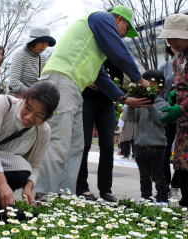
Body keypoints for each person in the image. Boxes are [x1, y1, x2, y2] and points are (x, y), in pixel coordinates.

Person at [35, 5, 151, 196]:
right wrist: (139, 78)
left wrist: (123, 98)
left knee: (76, 144)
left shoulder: (94, 43)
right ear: (119, 19)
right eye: (125, 30)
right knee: (60, 141)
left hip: (73, 86)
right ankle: (42, 194)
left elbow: (100, 76)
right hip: (61, 79)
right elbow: (119, 51)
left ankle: (64, 194)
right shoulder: (101, 18)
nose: (123, 36)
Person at [0, 81, 60, 210]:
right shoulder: (3, 103)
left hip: (5, 161)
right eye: (28, 107)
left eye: (39, 115)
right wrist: (1, 185)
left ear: (46, 118)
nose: (29, 117)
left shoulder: (43, 131)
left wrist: (28, 187)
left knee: (23, 170)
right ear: (23, 98)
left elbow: (35, 165)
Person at [76, 59, 124, 202]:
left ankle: (106, 190)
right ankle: (81, 187)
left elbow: (119, 81)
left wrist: (109, 85)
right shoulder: (90, 53)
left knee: (108, 146)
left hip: (107, 103)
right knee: (84, 144)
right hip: (86, 100)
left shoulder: (115, 57)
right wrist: (87, 81)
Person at [159, 14, 188, 207]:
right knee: (181, 157)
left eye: (175, 37)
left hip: (184, 109)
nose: (172, 42)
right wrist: (173, 95)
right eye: (169, 39)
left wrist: (183, 106)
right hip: (182, 120)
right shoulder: (177, 58)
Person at [127, 70, 169, 203]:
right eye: (145, 84)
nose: (148, 86)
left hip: (157, 145)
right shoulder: (139, 103)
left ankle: (162, 198)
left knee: (157, 174)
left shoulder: (162, 104)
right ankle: (146, 196)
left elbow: (162, 121)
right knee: (144, 175)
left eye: (152, 84)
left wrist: (151, 106)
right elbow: (131, 120)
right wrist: (131, 106)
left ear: (160, 87)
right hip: (140, 144)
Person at [9, 26, 56, 94]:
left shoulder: (42, 57)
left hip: (35, 98)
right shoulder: (20, 55)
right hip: (19, 98)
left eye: (47, 43)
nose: (44, 46)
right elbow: (14, 82)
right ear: (33, 41)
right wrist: (33, 93)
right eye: (42, 42)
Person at [159, 46, 180, 199]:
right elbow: (159, 91)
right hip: (170, 113)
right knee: (165, 152)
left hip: (184, 113)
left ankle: (178, 184)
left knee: (181, 154)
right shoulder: (165, 67)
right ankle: (164, 185)